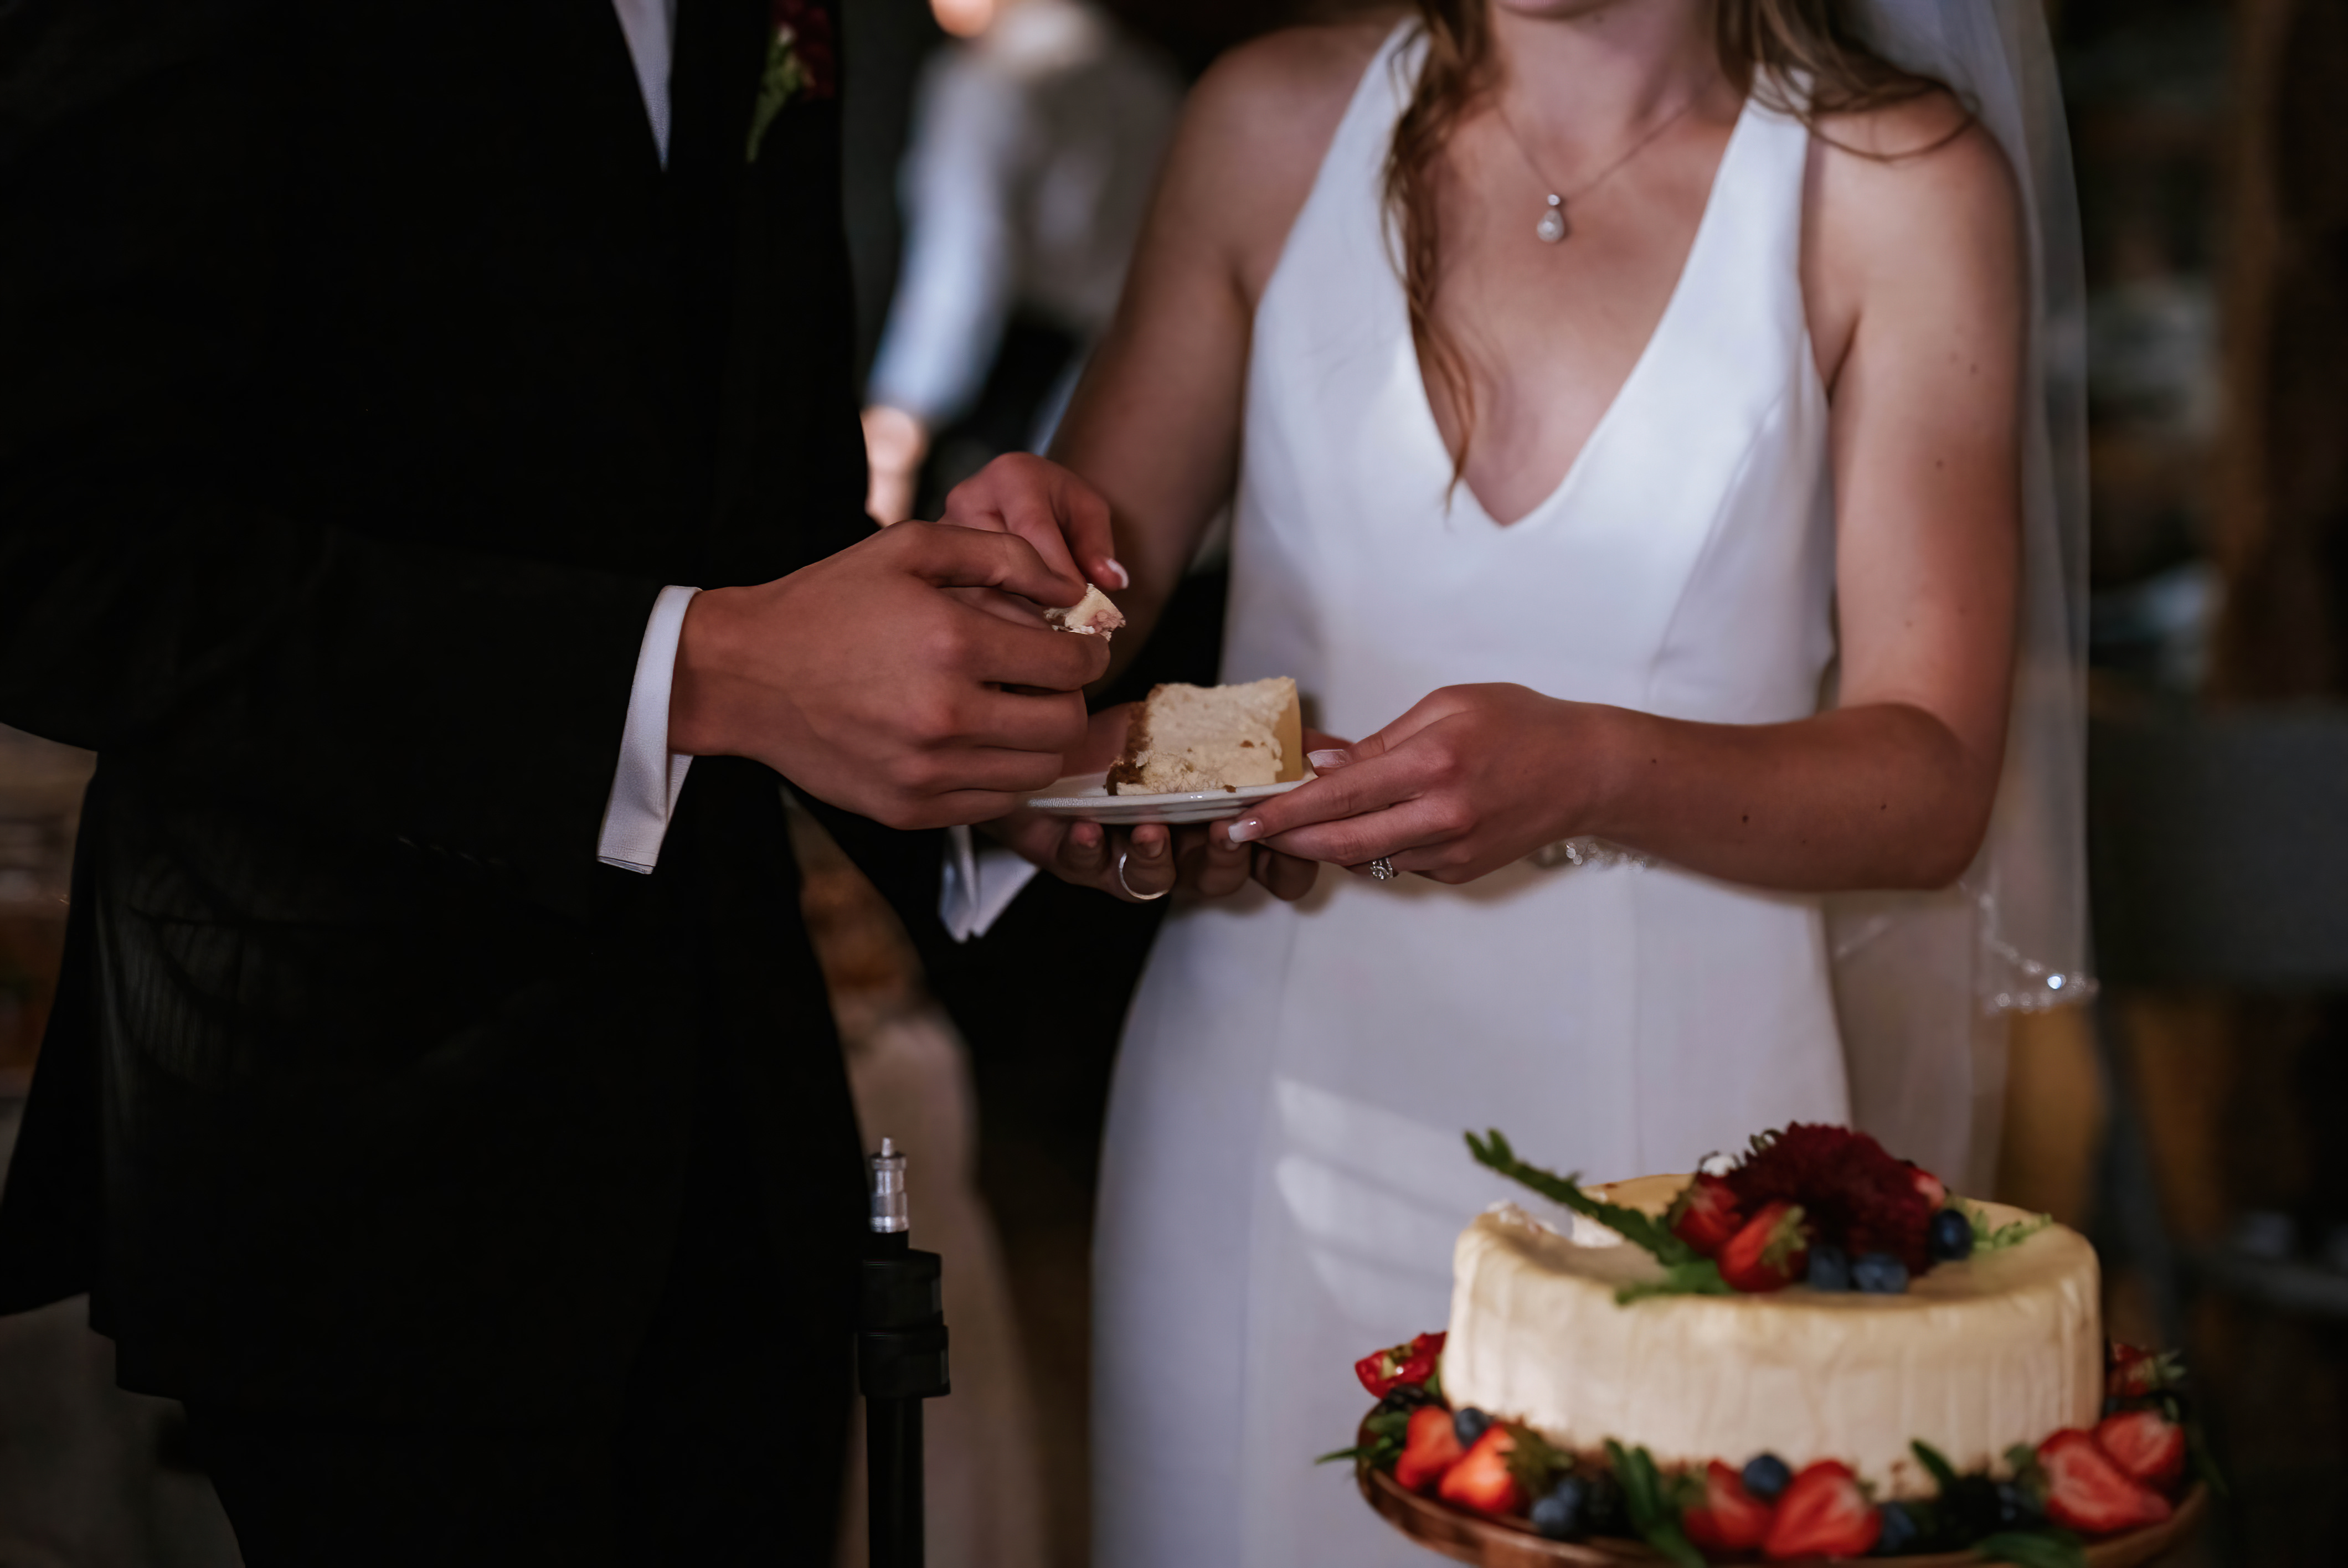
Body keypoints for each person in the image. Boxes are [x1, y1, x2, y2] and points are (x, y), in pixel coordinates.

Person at [0, 1, 1154, 1561]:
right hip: (362, 1106)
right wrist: (703, 671)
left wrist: (980, 737)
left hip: (740, 1097)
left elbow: (752, 506)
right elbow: (49, 546)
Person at [1032, 0, 2092, 1562]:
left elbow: (1928, 779)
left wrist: (1594, 767)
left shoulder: (1890, 182)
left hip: (1687, 1130)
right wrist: (1060, 732)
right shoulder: (1268, 124)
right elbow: (1056, 652)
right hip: (1264, 1111)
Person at [861, 0, 1182, 524]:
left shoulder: (987, 82)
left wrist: (901, 417)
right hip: (1109, 382)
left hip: (999, 381)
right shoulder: (1152, 83)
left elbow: (966, 258)